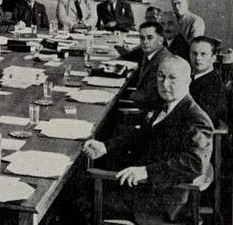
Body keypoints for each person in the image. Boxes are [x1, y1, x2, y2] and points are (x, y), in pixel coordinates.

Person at [83, 56, 213, 225]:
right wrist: (106, 146)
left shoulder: (196, 119)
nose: (165, 84)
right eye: (161, 76)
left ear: (188, 80)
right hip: (145, 188)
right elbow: (141, 135)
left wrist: (146, 171)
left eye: (172, 78)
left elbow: (194, 163)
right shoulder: (164, 104)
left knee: (80, 201)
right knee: (81, 185)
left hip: (162, 200)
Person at [127, 21, 172, 109]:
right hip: (142, 101)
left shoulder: (163, 62)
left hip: (149, 110)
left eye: (150, 38)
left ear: (160, 39)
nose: (145, 42)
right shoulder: (150, 53)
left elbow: (151, 97)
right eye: (142, 38)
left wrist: (124, 95)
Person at [189, 36, 228, 125]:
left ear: (213, 58)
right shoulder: (190, 78)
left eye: (203, 54)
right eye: (194, 53)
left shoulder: (214, 86)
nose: (198, 58)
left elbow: (204, 119)